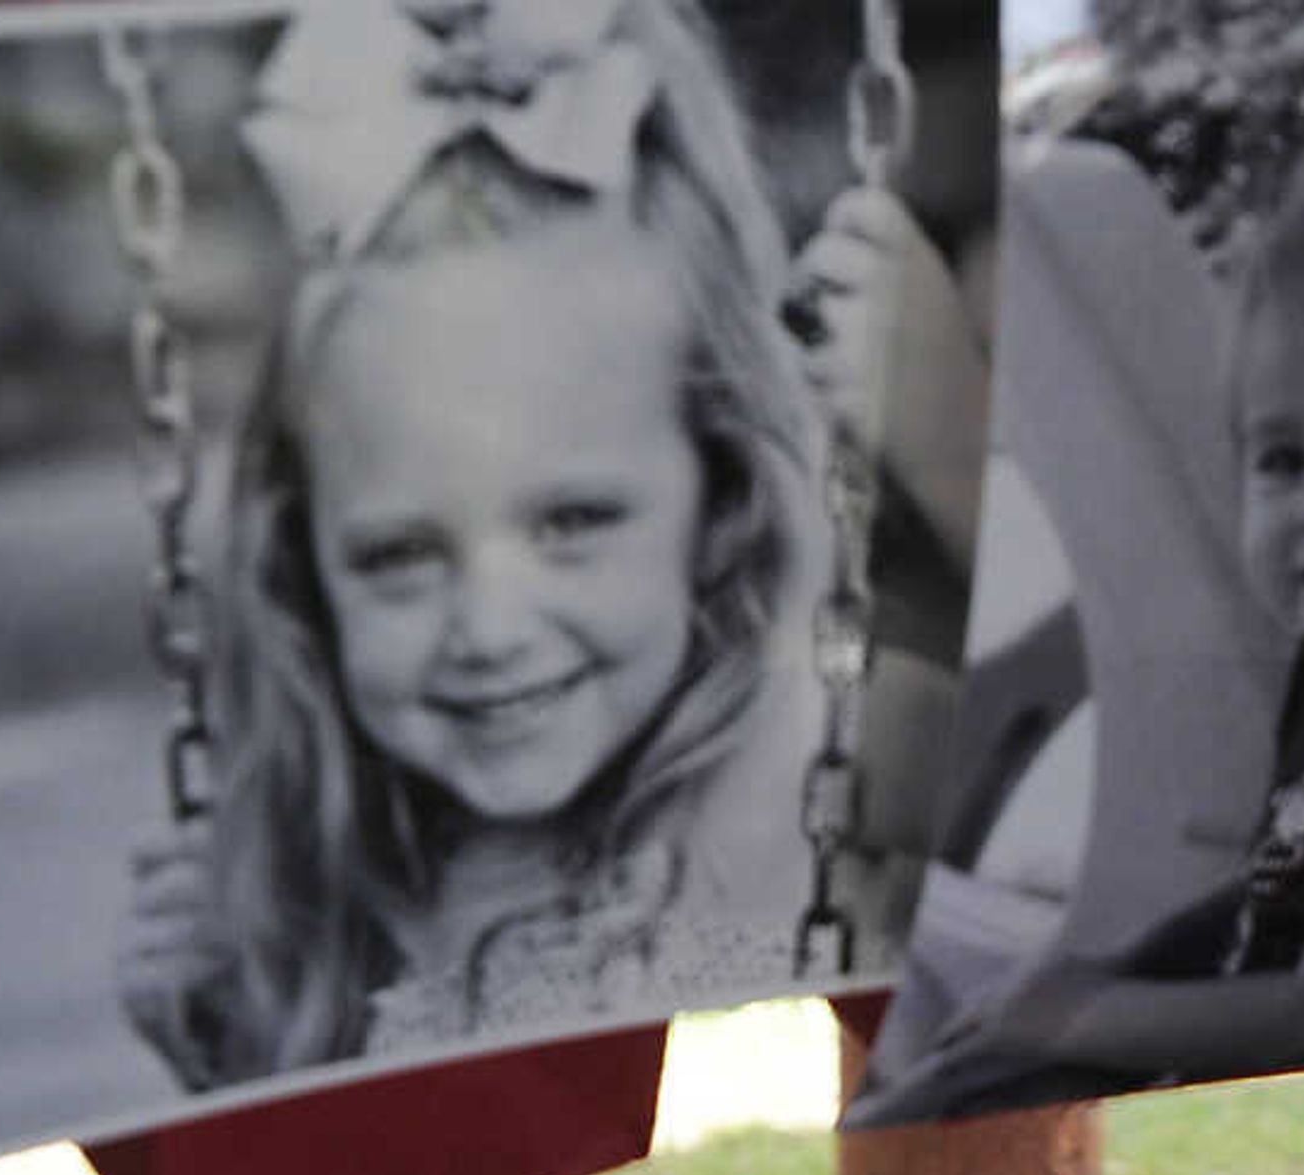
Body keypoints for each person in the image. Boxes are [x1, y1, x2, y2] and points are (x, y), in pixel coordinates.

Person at [844, 58, 1304, 1126]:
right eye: (1282, 460)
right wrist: (1071, 986)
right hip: (1223, 1020)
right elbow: (1242, 907)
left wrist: (1069, 1019)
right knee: (942, 1063)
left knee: (961, 1074)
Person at [118, 0, 822, 1086]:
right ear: (304, 565)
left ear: (722, 500)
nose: (488, 632)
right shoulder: (346, 899)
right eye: (399, 555)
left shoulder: (803, 809)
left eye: (573, 521)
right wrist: (238, 1054)